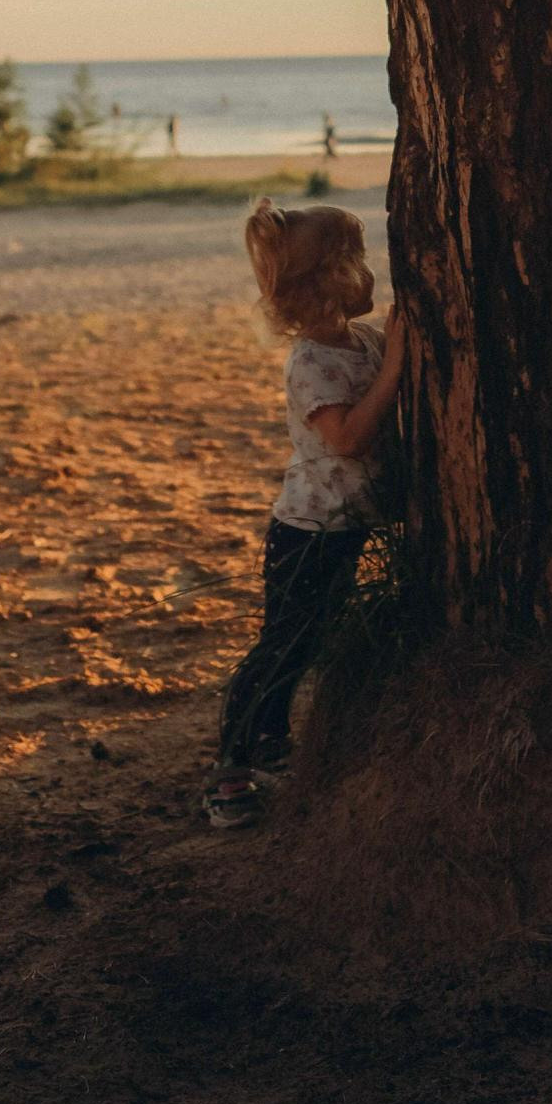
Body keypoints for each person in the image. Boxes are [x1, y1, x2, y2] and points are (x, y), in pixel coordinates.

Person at [207, 195, 406, 829]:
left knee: (314, 640)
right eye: (359, 258)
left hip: (348, 526)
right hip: (309, 532)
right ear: (328, 280)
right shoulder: (312, 364)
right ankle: (228, 775)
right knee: (284, 646)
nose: (371, 272)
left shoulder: (362, 342)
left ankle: (270, 741)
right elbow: (347, 437)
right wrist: (399, 364)